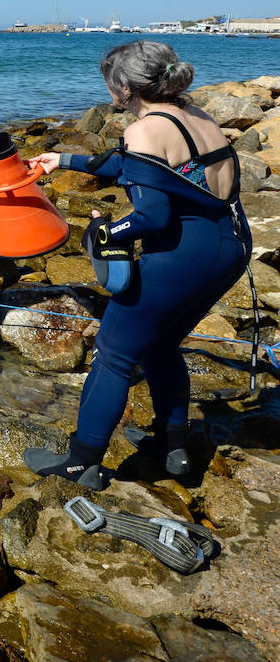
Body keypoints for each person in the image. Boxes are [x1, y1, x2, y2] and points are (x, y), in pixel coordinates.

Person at [22, 41, 250, 489]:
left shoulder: (145, 129)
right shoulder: (195, 114)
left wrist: (104, 233)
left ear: (124, 88)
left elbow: (152, 216)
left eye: (109, 82)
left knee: (113, 353)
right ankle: (173, 448)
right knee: (162, 345)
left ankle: (81, 462)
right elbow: (153, 169)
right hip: (232, 247)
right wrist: (63, 160)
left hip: (185, 256)